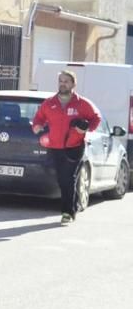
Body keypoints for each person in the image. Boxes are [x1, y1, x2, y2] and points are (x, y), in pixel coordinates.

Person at [31, 69, 101, 224]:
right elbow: (39, 118)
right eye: (60, 81)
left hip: (74, 146)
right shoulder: (49, 103)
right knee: (62, 179)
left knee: (68, 178)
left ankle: (67, 212)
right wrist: (37, 125)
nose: (63, 84)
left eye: (66, 81)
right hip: (55, 147)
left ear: (73, 84)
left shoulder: (82, 103)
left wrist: (86, 129)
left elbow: (96, 118)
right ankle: (72, 207)